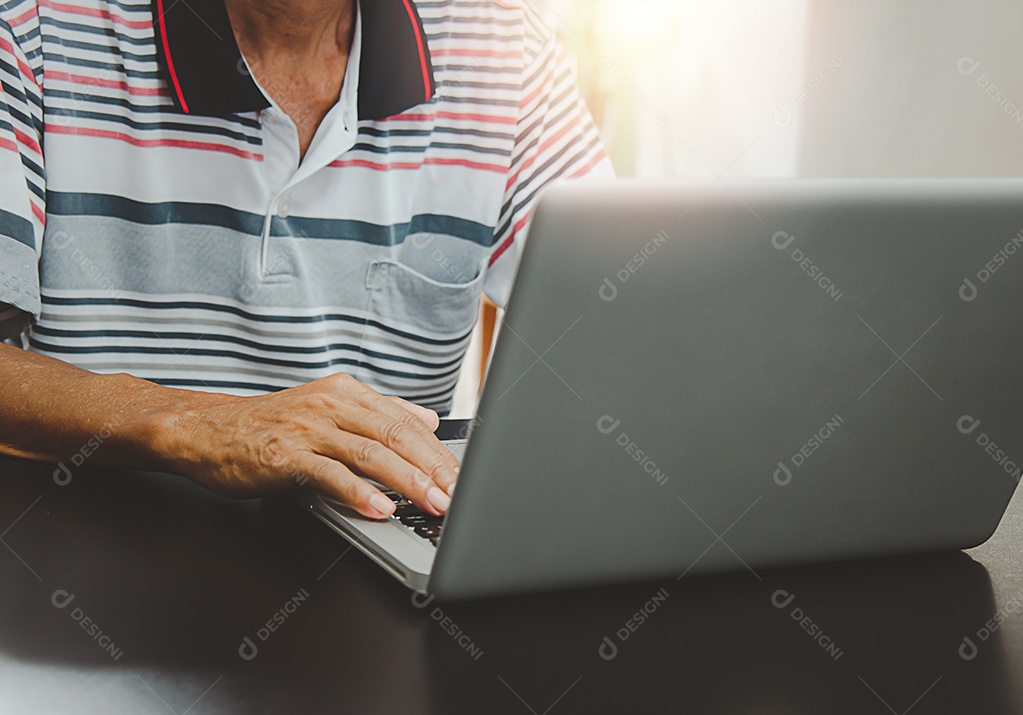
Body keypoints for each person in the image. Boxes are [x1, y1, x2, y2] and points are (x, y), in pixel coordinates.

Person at [0, 0, 610, 518]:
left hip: (377, 582)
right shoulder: (31, 27)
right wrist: (199, 427)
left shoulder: (507, 47)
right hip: (87, 573)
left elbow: (622, 327)